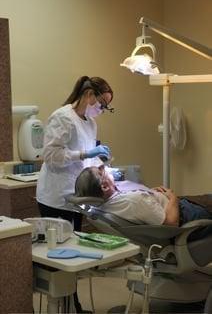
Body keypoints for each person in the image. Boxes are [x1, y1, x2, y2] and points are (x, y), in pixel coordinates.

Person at [36, 76, 114, 313]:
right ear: (89, 95)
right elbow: (50, 156)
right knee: (59, 257)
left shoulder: (90, 122)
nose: (101, 110)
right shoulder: (62, 117)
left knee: (75, 256)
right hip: (56, 196)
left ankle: (73, 304)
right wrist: (84, 153)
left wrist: (101, 162)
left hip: (77, 196)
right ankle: (63, 306)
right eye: (102, 104)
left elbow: (88, 156)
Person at [74, 166, 212, 231]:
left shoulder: (103, 205)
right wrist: (173, 197)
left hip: (171, 206)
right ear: (104, 187)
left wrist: (151, 195)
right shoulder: (134, 201)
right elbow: (171, 224)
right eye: (101, 171)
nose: (104, 167)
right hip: (187, 215)